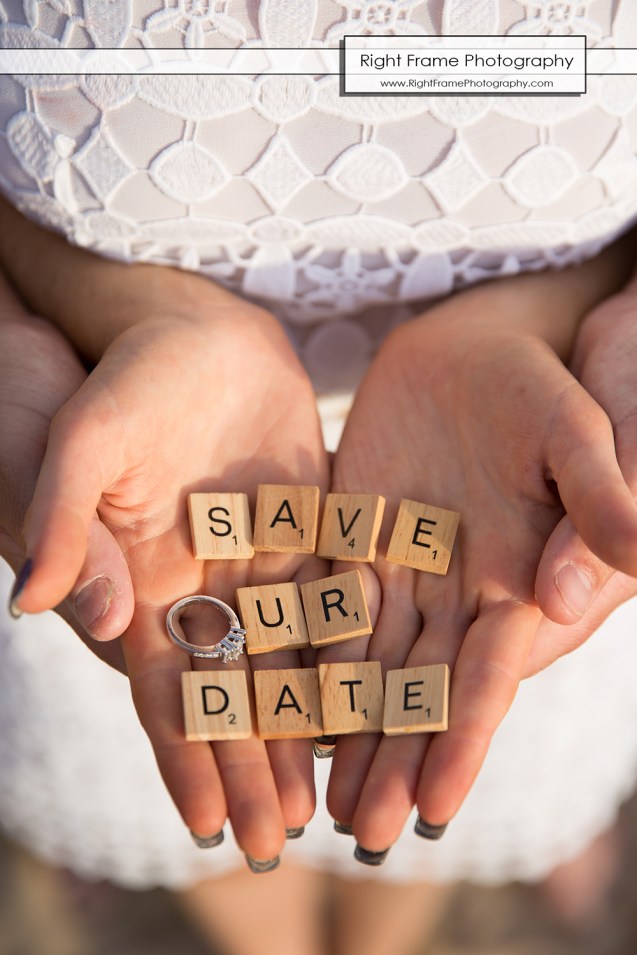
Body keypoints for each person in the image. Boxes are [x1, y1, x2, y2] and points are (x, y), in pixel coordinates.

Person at [2, 1, 637, 953]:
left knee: (433, 787)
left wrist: (604, 312)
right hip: (128, 482)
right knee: (210, 801)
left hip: (515, 494)